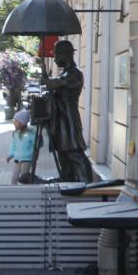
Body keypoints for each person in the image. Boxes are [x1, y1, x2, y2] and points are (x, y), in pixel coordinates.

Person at [40, 40, 92, 182]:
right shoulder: (65, 73)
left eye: (56, 55)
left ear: (66, 54)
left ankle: (87, 184)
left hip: (69, 121)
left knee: (74, 153)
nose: (55, 59)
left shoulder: (75, 73)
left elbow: (57, 83)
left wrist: (46, 79)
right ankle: (67, 181)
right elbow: (54, 83)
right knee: (63, 155)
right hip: (61, 120)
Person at [7, 108, 38, 184]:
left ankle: (26, 190)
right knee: (14, 178)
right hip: (17, 159)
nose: (14, 122)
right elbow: (13, 145)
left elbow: (37, 145)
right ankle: (13, 191)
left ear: (22, 123)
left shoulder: (31, 133)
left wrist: (38, 141)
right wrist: (11, 155)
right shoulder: (15, 133)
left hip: (27, 160)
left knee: (24, 179)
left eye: (16, 121)